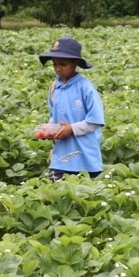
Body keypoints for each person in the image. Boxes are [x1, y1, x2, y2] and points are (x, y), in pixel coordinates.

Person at [38, 37, 105, 180]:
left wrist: (71, 129)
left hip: (85, 158)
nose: (58, 68)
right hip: (61, 158)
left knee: (88, 197)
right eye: (55, 64)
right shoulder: (54, 88)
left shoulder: (85, 87)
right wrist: (50, 129)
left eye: (63, 64)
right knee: (56, 196)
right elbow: (53, 116)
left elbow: (96, 120)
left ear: (75, 63)